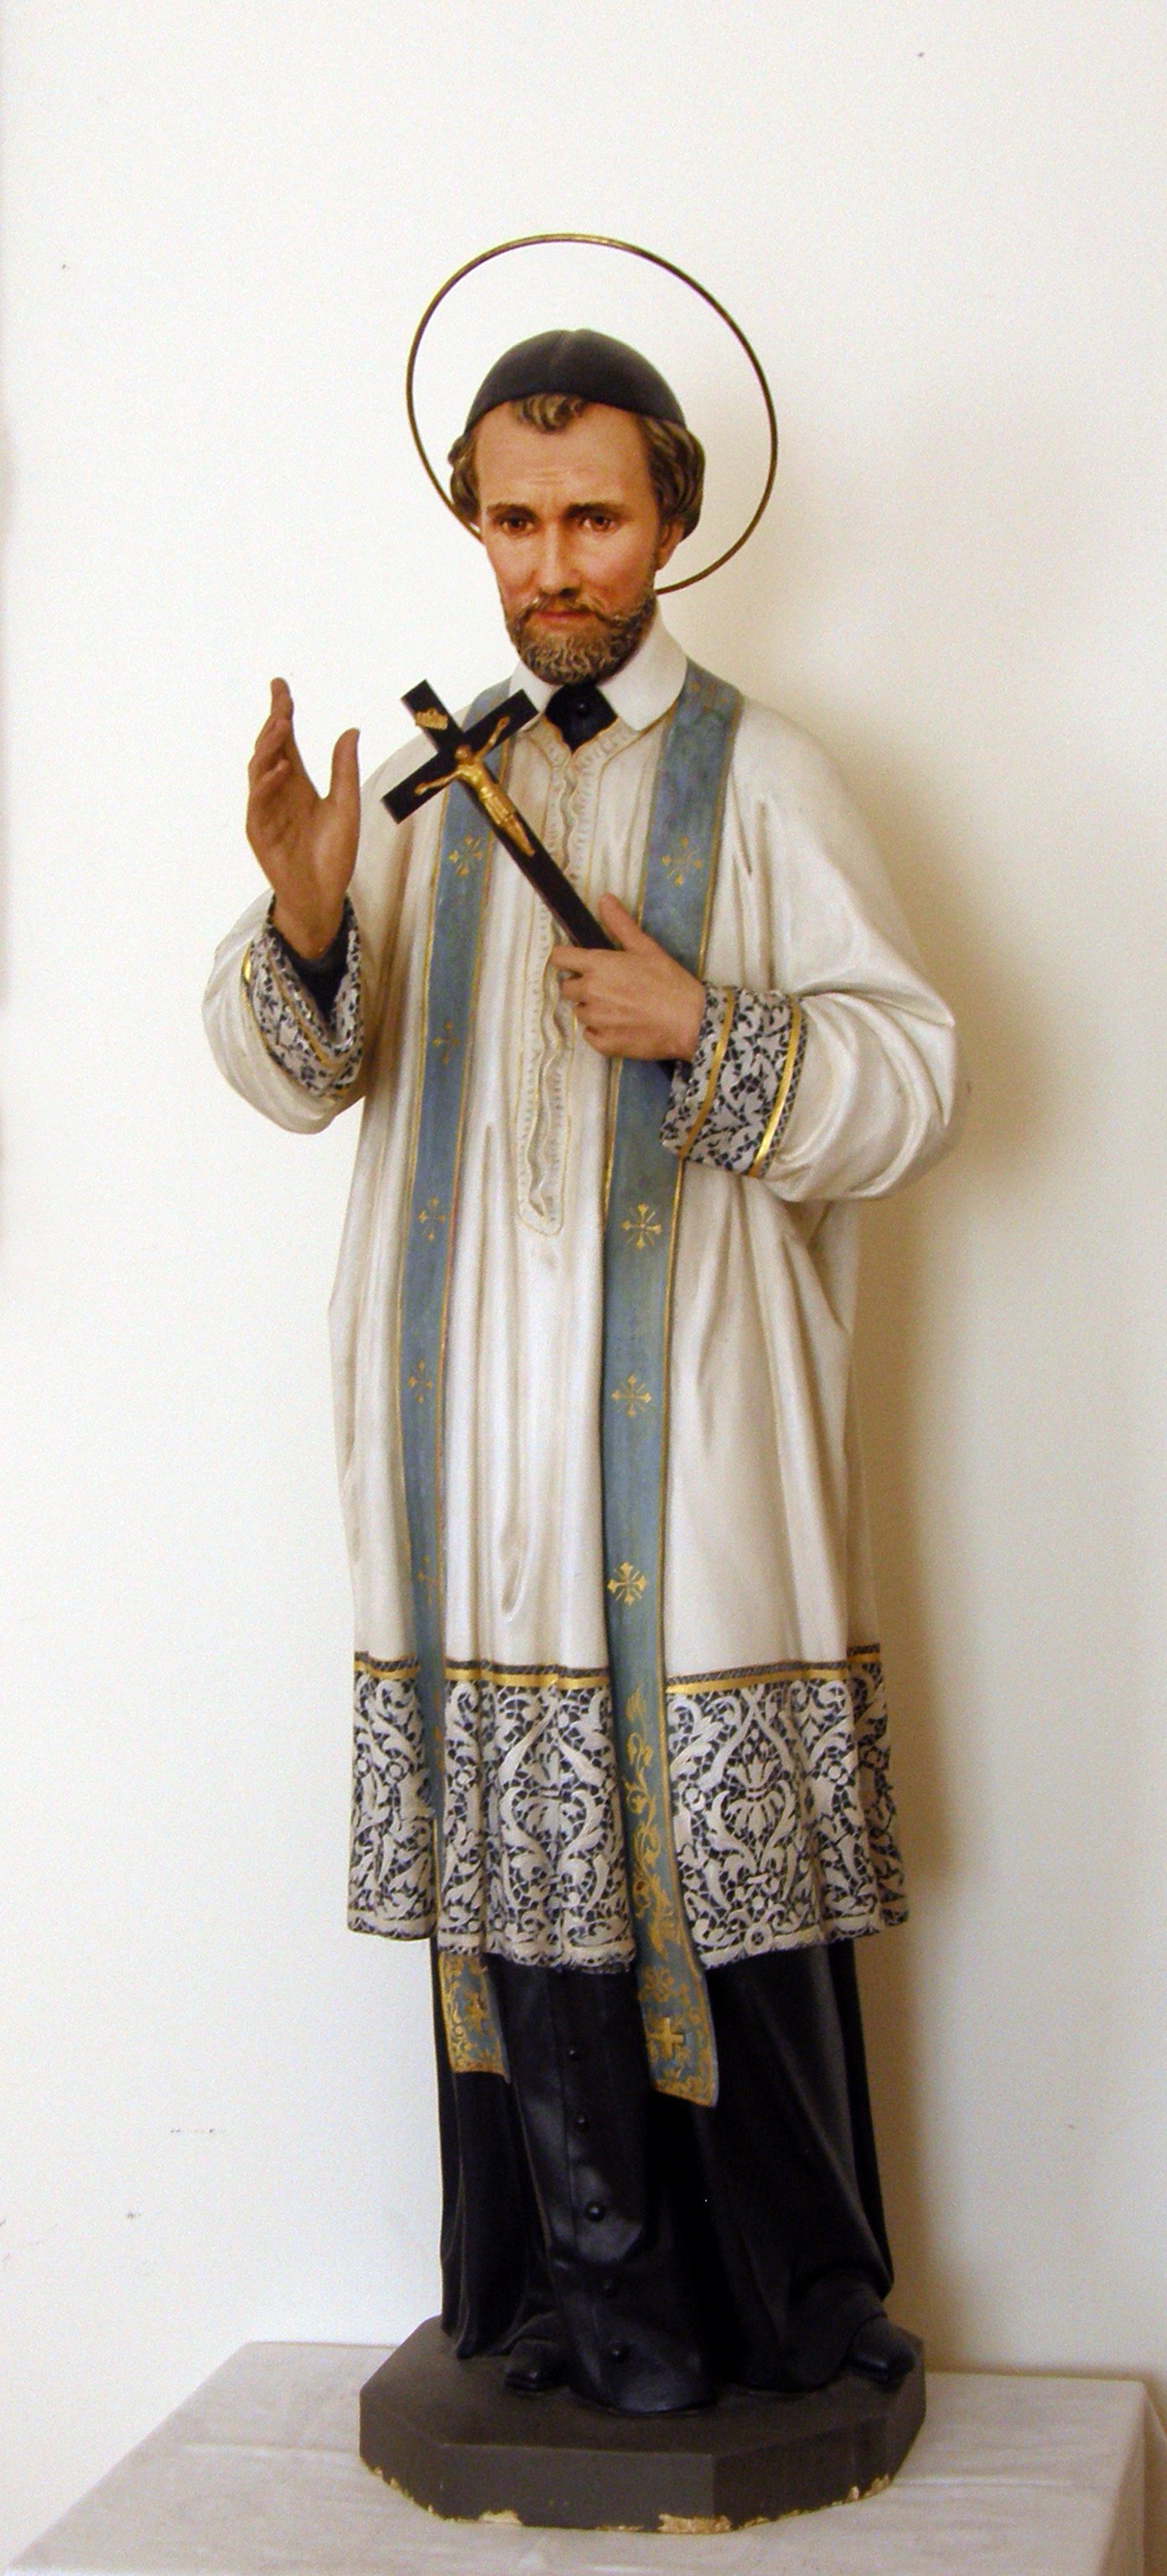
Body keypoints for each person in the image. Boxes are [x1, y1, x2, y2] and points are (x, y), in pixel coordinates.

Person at [204, 329, 963, 2417]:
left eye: (596, 519)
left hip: (691, 1442)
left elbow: (918, 1079)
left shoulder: (768, 778)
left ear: (674, 519)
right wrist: (304, 918)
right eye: (518, 520)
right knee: (522, 1887)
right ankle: (561, 2307)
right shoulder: (428, 795)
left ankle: (782, 2312)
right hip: (468, 1453)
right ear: (474, 519)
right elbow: (292, 1076)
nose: (554, 565)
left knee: (714, 1874)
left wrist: (709, 1028)